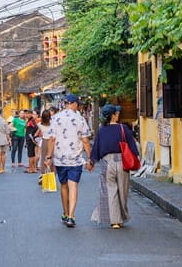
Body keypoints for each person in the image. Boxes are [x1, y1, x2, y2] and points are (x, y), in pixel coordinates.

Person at [88, 104, 139, 228]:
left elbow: (96, 149)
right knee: (123, 190)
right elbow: (132, 147)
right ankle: (120, 217)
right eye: (116, 113)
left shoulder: (101, 131)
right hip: (122, 162)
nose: (118, 115)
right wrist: (136, 158)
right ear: (113, 116)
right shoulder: (123, 129)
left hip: (107, 162)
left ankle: (114, 220)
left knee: (110, 190)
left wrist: (91, 162)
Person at [45, 94, 91, 228]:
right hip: (75, 158)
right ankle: (71, 216)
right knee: (73, 186)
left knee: (64, 186)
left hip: (60, 159)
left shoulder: (56, 118)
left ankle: (65, 213)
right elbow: (85, 141)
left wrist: (48, 157)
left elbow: (52, 139)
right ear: (75, 104)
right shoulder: (80, 119)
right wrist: (89, 158)